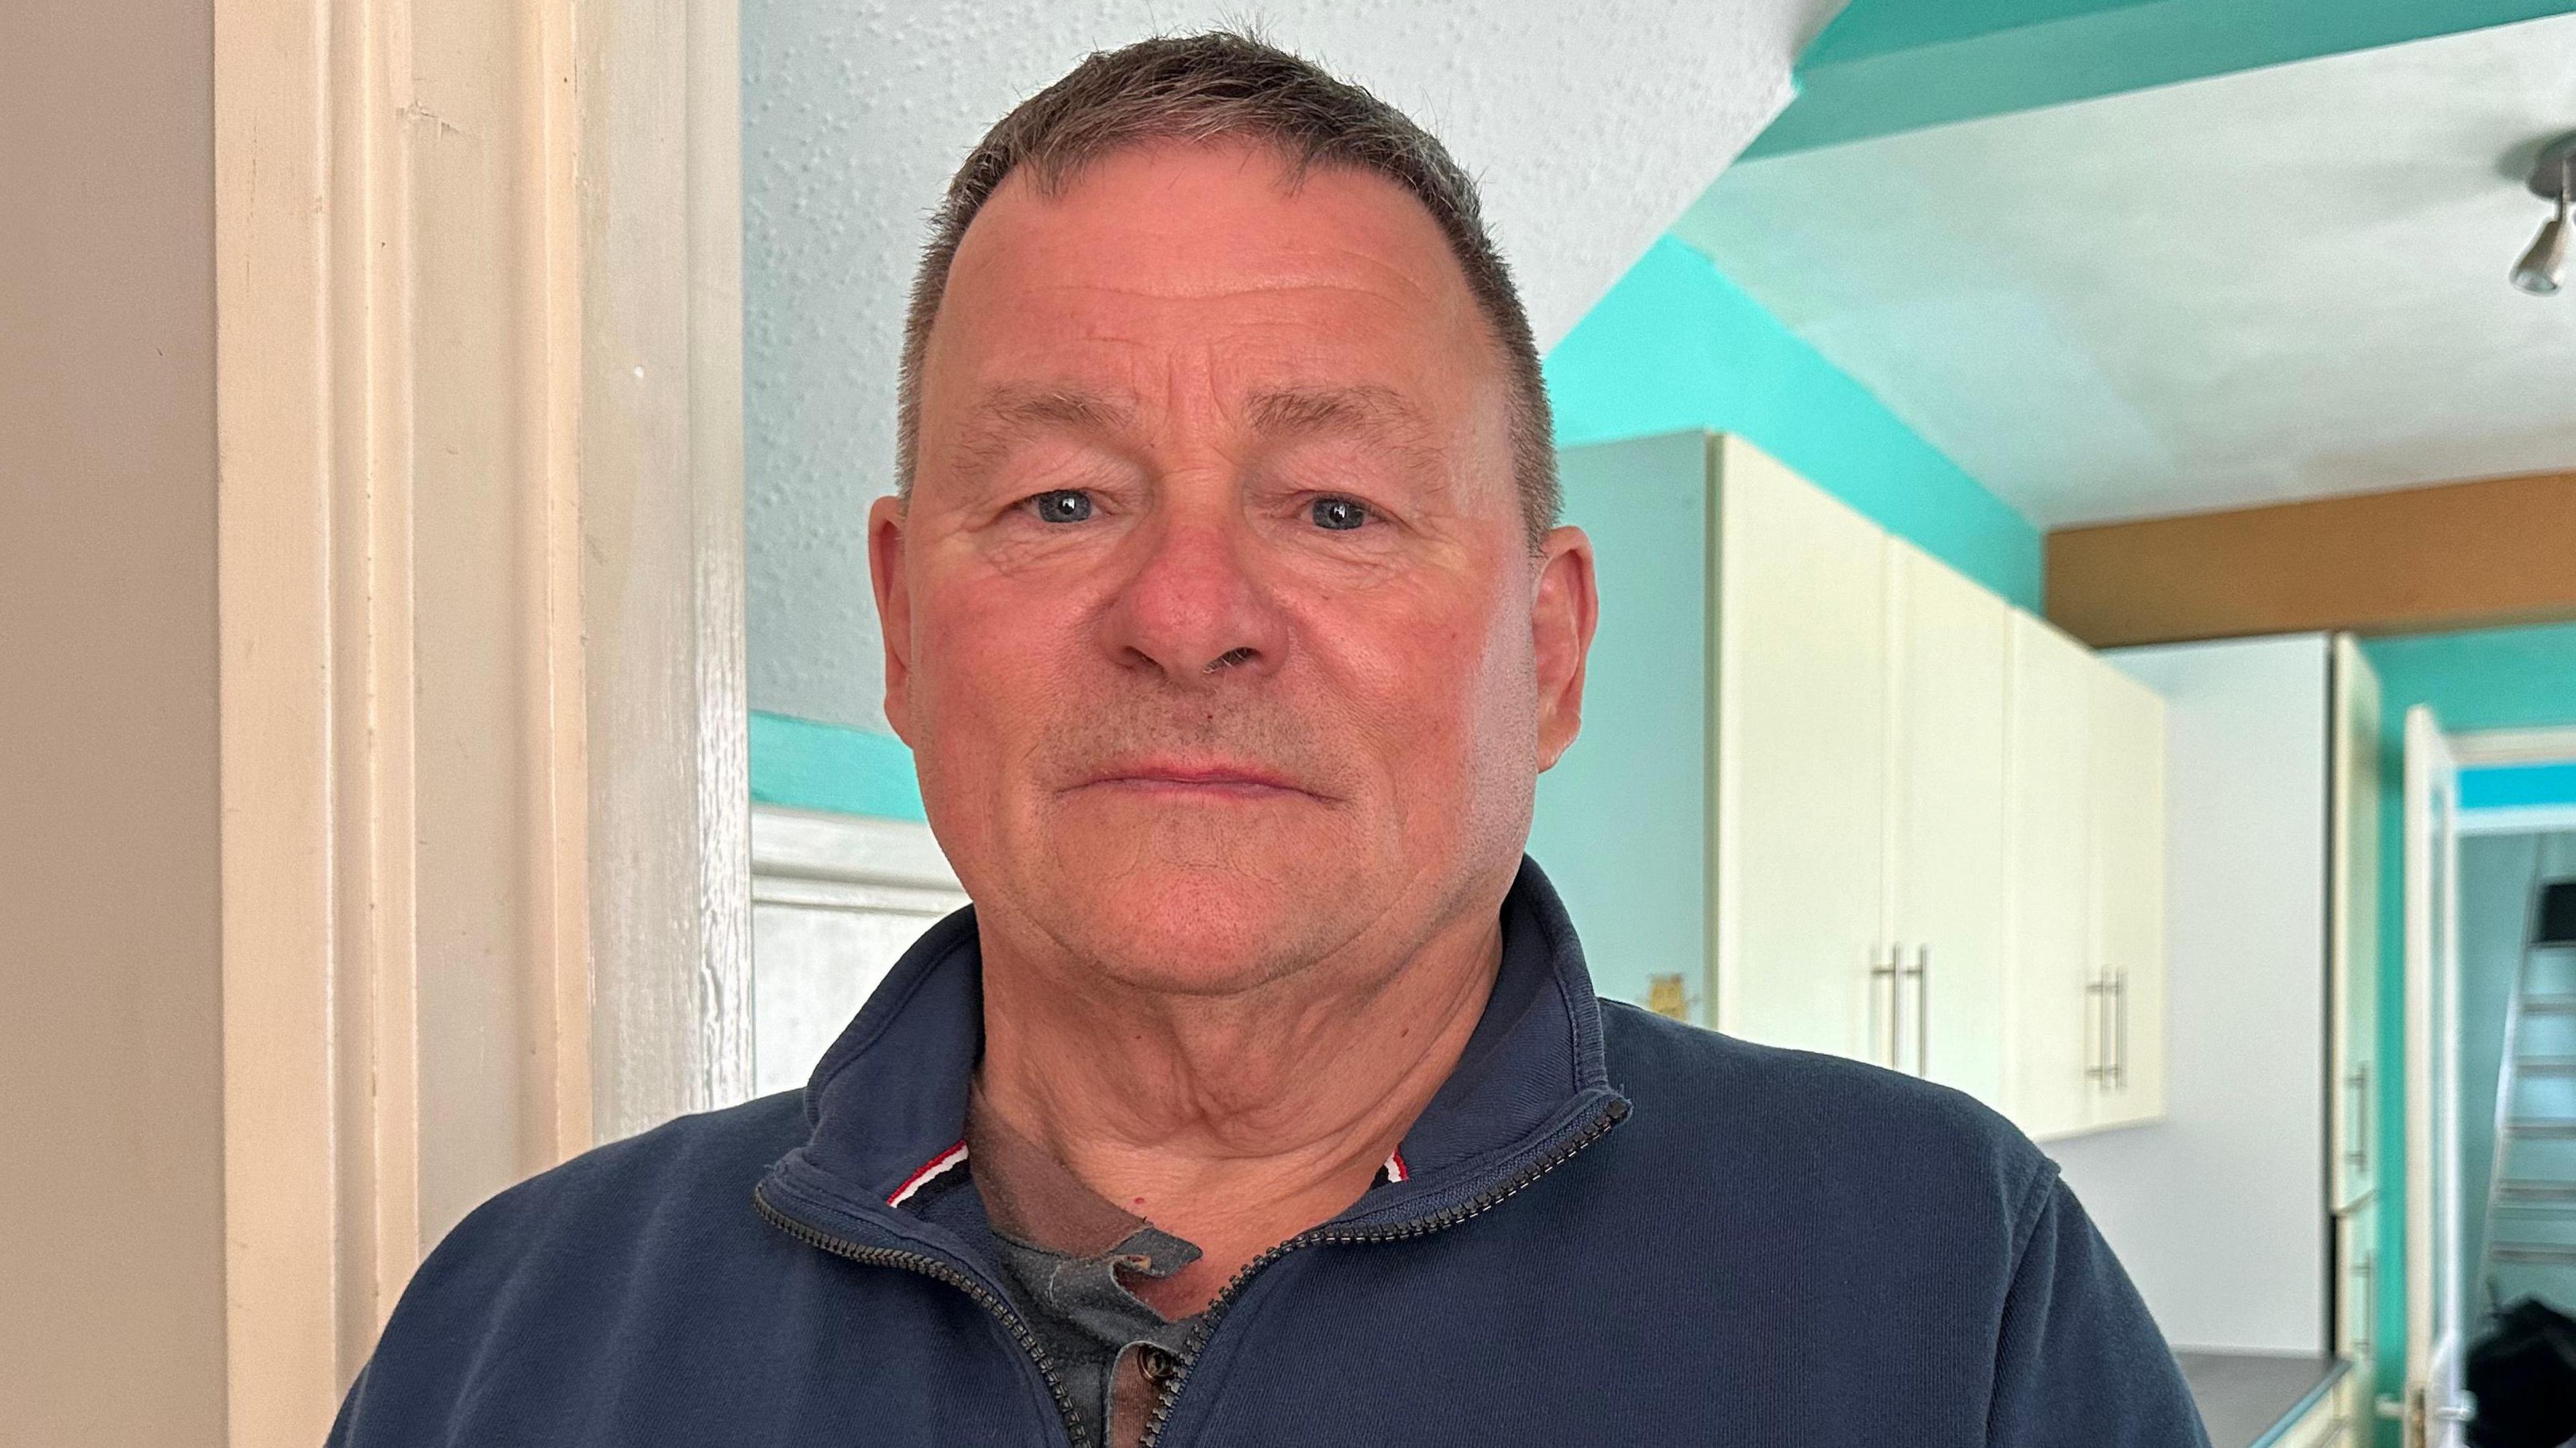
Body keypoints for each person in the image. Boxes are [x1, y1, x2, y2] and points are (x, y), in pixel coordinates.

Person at [330, 31, 2208, 1448]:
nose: (1187, 614)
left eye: (1335, 508)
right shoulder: (515, 1334)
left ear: (1547, 651)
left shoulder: (1948, 1284)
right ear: (905, 628)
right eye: (1065, 501)